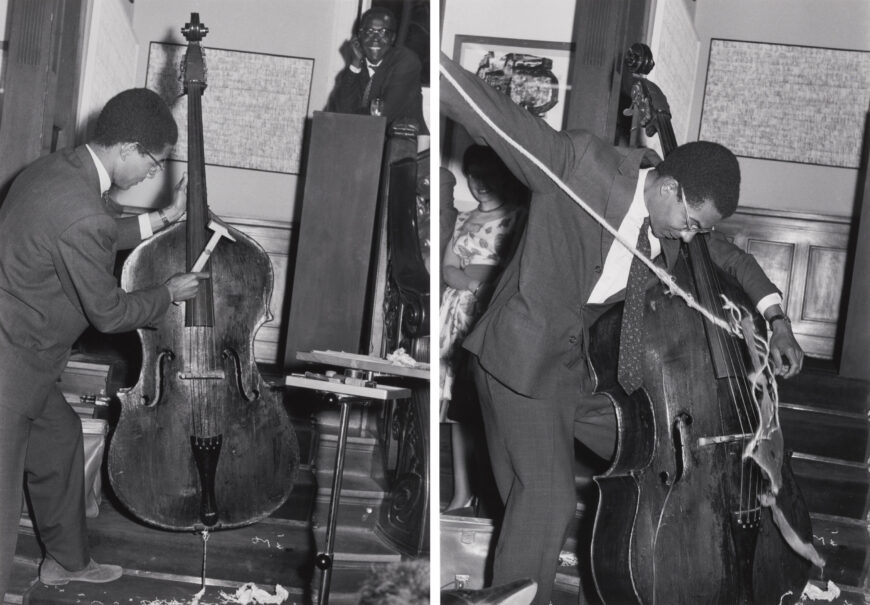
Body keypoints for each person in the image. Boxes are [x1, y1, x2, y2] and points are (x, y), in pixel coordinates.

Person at [440, 53, 805, 605]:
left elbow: (733, 263)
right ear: (672, 189)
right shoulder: (582, 164)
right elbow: (495, 118)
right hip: (521, 361)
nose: (689, 237)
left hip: (583, 374)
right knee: (547, 498)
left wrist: (776, 319)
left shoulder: (678, 230)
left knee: (663, 450)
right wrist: (435, 69)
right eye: (691, 222)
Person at [0, 88, 208, 595]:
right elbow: (110, 312)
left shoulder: (58, 171)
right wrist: (167, 292)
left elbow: (94, 229)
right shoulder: (83, 209)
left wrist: (161, 218)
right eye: (154, 163)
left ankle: (66, 562)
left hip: (24, 349)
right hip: (11, 363)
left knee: (60, 440)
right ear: (130, 148)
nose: (151, 175)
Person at [440, 145, 525, 513]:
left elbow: (511, 270)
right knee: (457, 407)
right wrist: (467, 281)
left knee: (486, 408)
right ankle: (461, 493)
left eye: (488, 175)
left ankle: (493, 497)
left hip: (491, 314)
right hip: (456, 315)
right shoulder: (462, 219)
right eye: (473, 176)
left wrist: (479, 282)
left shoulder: (517, 217)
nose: (480, 185)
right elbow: (449, 268)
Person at [327, 7, 428, 134]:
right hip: (364, 139)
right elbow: (341, 111)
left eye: (383, 32)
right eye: (369, 31)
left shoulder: (406, 62)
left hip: (404, 143)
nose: (375, 38)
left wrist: (351, 115)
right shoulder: (358, 64)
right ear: (359, 36)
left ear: (392, 38)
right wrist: (355, 64)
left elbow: (384, 114)